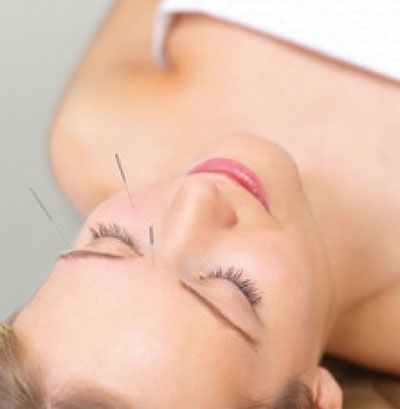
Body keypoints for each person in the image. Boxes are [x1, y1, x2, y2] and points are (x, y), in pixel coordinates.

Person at [1, 1, 400, 408]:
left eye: (111, 240)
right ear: (315, 401)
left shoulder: (95, 135)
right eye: (232, 286)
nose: (197, 195)